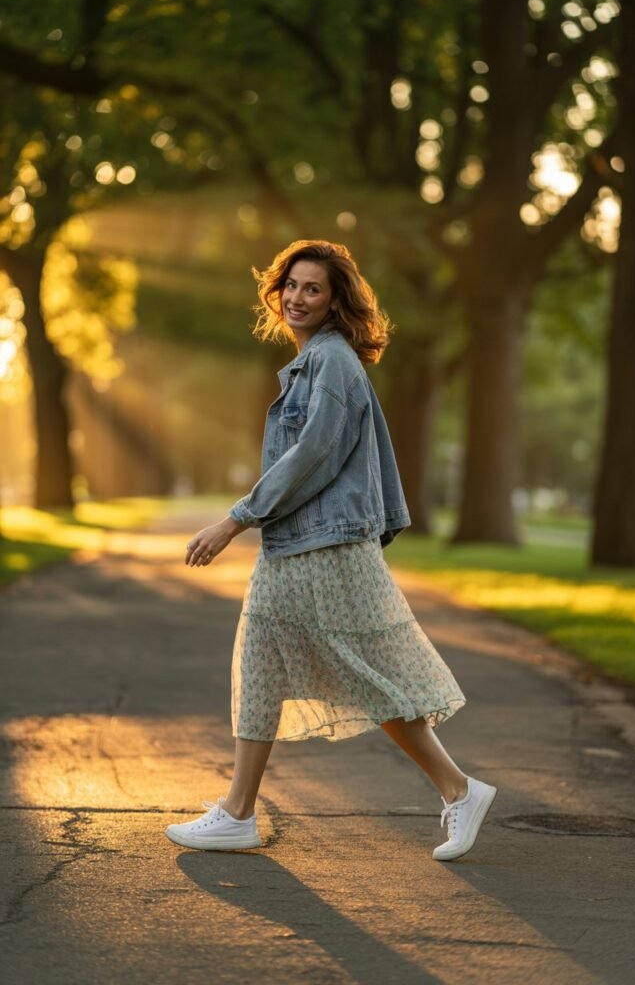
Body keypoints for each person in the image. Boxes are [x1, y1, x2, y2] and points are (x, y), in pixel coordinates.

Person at [165, 239, 497, 861]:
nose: (297, 297)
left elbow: (313, 454)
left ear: (336, 300)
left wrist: (234, 521)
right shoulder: (313, 362)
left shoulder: (334, 362)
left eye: (313, 288)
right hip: (297, 542)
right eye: (290, 285)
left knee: (362, 676)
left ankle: (459, 788)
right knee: (262, 663)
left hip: (326, 548)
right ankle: (238, 811)